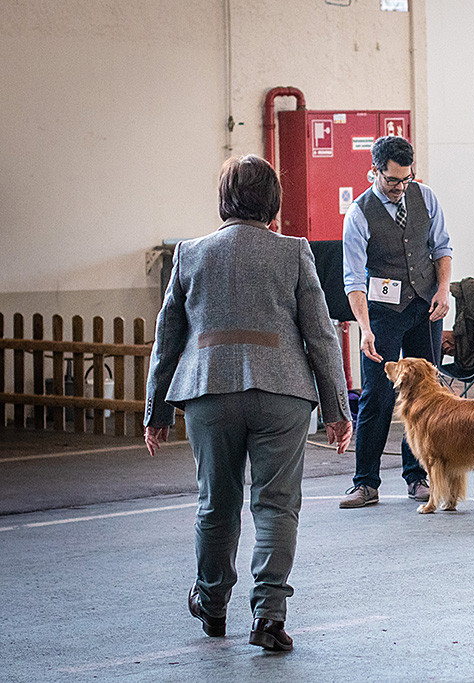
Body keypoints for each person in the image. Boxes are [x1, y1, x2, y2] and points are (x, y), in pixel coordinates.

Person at [144, 155, 353, 652]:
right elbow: (321, 337)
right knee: (277, 506)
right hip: (283, 395)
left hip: (208, 394)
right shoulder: (294, 252)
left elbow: (167, 338)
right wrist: (337, 410)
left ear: (224, 199)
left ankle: (212, 606)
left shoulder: (190, 254)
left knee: (216, 504)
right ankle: (269, 616)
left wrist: (156, 411)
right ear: (273, 202)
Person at [339, 135, 452, 508]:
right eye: (392, 181)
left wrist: (443, 290)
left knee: (425, 393)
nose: (401, 188)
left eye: (406, 179)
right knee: (377, 395)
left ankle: (417, 477)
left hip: (425, 306)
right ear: (373, 171)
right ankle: (365, 483)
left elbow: (441, 248)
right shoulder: (358, 213)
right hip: (383, 313)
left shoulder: (425, 197)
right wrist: (365, 328)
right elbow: (353, 279)